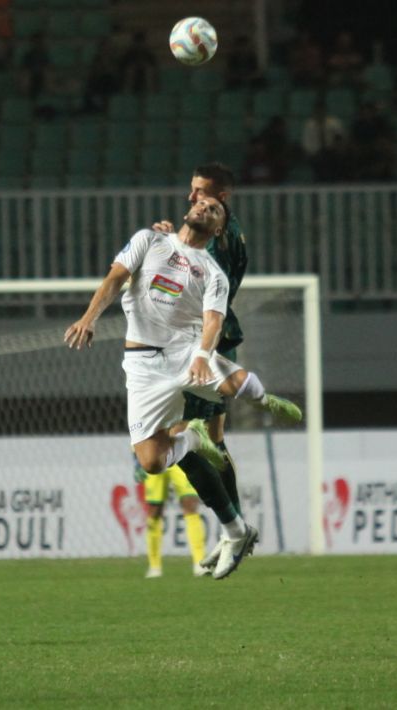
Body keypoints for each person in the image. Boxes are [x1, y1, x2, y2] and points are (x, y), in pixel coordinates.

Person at [64, 197, 302, 580]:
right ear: (187, 209)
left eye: (214, 209)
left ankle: (263, 399)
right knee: (152, 462)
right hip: (142, 367)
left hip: (186, 352)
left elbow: (212, 321)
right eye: (202, 203)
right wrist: (88, 317)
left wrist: (202, 356)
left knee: (233, 384)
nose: (204, 208)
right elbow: (114, 278)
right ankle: (193, 439)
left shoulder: (213, 273)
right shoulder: (150, 240)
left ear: (219, 228)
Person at [149, 164, 250, 572]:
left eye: (201, 193)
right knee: (212, 437)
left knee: (177, 439)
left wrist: (171, 243)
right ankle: (236, 529)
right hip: (210, 344)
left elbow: (195, 284)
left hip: (203, 348)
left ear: (221, 199)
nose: (193, 198)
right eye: (191, 190)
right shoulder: (221, 230)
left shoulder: (220, 232)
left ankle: (235, 530)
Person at [134, 455, 208, 578]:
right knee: (154, 510)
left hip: (180, 455)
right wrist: (136, 460)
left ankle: (199, 563)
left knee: (190, 503)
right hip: (155, 455)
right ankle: (154, 566)